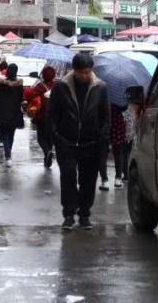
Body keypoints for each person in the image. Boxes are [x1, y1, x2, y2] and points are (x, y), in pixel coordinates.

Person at [47, 51, 110, 231]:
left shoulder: (100, 87)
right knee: (68, 177)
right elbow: (52, 114)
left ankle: (84, 214)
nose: (84, 75)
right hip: (66, 142)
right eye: (81, 72)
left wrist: (102, 139)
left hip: (91, 143)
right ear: (74, 70)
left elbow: (105, 116)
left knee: (88, 180)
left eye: (87, 72)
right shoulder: (61, 87)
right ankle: (68, 214)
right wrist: (56, 137)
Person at [0, 62, 25, 167]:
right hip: (14, 112)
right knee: (11, 134)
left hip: (1, 112)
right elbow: (21, 98)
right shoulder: (19, 84)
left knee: (4, 134)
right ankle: (8, 154)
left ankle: (8, 155)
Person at [25, 65, 57, 168]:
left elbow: (31, 96)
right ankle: (48, 154)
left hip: (41, 116)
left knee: (41, 138)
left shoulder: (39, 86)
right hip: (54, 116)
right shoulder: (57, 86)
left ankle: (47, 152)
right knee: (50, 136)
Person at [99, 104, 127, 191]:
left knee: (102, 153)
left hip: (104, 121)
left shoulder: (105, 95)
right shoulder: (121, 98)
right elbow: (125, 107)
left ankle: (104, 181)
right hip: (118, 123)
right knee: (118, 152)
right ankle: (118, 179)